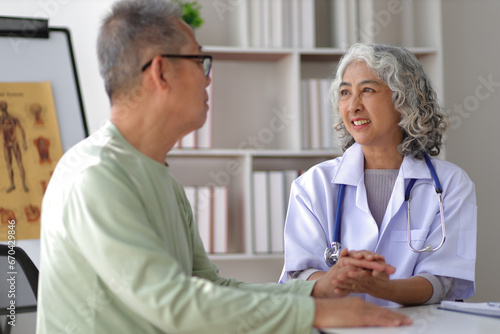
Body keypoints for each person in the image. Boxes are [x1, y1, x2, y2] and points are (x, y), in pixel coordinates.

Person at [36, 1, 412, 333]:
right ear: (161, 72)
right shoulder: (95, 177)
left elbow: (210, 289)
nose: (208, 76)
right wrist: (314, 313)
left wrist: (318, 288)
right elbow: (175, 304)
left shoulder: (161, 180)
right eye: (199, 60)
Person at [280, 43, 477, 307]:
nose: (353, 106)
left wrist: (385, 288)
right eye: (345, 93)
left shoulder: (450, 184)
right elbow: (299, 274)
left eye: (367, 90)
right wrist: (338, 278)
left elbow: (444, 281)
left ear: (404, 99)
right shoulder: (313, 185)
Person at [0, 100, 29, 193]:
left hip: (14, 143)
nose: (2, 108)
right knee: (9, 165)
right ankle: (12, 184)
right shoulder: (0, 120)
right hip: (6, 145)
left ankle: (24, 184)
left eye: (2, 106)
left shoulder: (13, 118)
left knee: (20, 164)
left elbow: (21, 129)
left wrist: (24, 142)